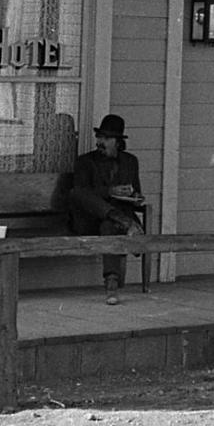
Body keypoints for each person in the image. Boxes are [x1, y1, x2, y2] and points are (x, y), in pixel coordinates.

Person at [68, 113, 145, 305]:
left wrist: (135, 198)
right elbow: (83, 194)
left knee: (108, 227)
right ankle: (124, 222)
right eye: (99, 137)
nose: (100, 142)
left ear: (118, 142)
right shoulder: (85, 162)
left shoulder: (130, 162)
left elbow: (136, 194)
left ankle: (111, 284)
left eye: (107, 138)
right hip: (89, 220)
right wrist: (110, 191)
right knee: (78, 193)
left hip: (113, 223)